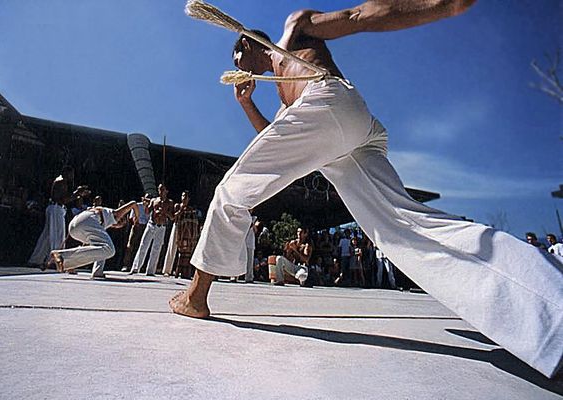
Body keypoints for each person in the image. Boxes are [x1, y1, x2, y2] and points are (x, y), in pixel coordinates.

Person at [171, 0, 563, 378]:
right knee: (404, 229)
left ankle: (197, 296)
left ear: (245, 44)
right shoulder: (283, 99)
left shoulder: (295, 30)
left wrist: (442, 5)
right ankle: (550, 319)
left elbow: (358, 15)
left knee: (232, 190)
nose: (236, 68)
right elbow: (279, 144)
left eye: (236, 60)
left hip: (330, 102)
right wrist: (246, 105)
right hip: (342, 134)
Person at [50, 201, 140, 277]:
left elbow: (86, 248)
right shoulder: (114, 214)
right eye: (121, 220)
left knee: (101, 248)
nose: (119, 222)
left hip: (75, 225)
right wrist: (137, 218)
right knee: (110, 249)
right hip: (86, 221)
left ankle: (69, 264)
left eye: (121, 224)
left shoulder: (101, 225)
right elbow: (133, 203)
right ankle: (61, 255)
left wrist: (73, 264)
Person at [28, 165, 88, 269]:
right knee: (58, 235)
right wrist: (76, 194)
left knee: (47, 236)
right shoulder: (62, 182)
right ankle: (54, 261)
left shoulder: (60, 181)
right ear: (66, 172)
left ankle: (36, 259)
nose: (72, 176)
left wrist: (77, 195)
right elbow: (62, 200)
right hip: (56, 208)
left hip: (54, 208)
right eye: (71, 174)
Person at [129, 184, 174, 276]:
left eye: (163, 189)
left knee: (156, 248)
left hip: (161, 226)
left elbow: (172, 217)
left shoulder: (169, 202)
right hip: (151, 225)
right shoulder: (154, 200)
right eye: (159, 189)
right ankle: (136, 267)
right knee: (143, 245)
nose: (160, 191)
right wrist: (147, 205)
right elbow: (147, 212)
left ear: (166, 191)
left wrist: (164, 212)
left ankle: (150, 270)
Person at [120, 194, 151, 272]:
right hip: (137, 226)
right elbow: (131, 217)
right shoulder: (137, 205)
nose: (147, 202)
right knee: (130, 245)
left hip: (146, 227)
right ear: (143, 198)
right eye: (146, 199)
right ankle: (126, 264)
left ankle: (139, 265)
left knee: (142, 246)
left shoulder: (151, 208)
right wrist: (135, 223)